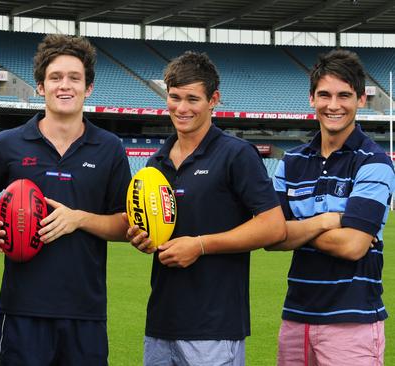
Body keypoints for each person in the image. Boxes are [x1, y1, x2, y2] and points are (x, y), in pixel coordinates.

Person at [0, 34, 131, 365]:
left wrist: (79, 219)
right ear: (40, 87)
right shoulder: (8, 144)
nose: (65, 85)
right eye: (55, 77)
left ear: (88, 87)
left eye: (75, 78)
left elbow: (125, 224)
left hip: (85, 313)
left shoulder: (110, 148)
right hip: (21, 310)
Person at [127, 51, 287, 366]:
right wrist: (143, 238)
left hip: (214, 328)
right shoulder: (155, 162)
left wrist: (200, 245)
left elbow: (274, 225)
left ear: (213, 99)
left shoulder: (236, 154)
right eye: (174, 97)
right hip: (160, 323)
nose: (181, 108)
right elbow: (160, 229)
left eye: (192, 99)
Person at [268, 49, 394, 365]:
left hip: (352, 322)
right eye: (324, 95)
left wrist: (295, 227)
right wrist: (328, 220)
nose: (333, 105)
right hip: (296, 318)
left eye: (344, 95)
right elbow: (271, 237)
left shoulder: (375, 162)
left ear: (360, 99)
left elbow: (353, 245)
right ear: (312, 98)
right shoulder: (291, 162)